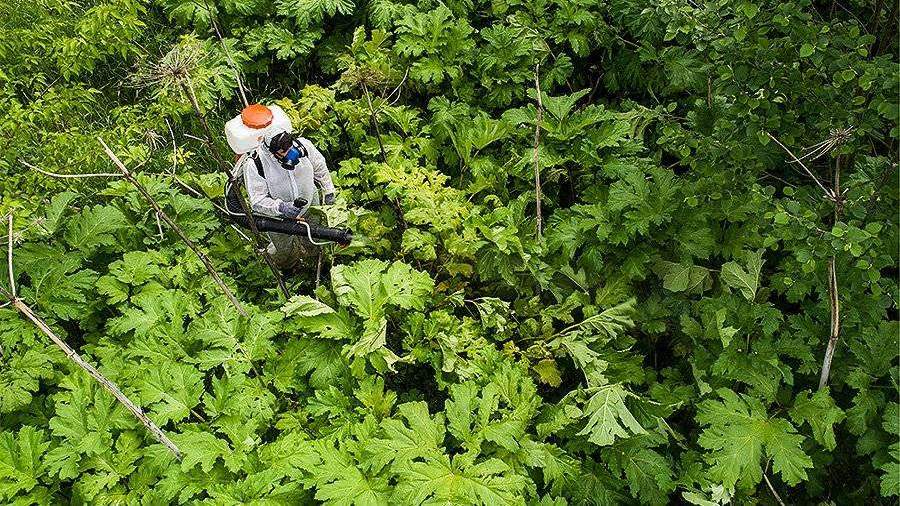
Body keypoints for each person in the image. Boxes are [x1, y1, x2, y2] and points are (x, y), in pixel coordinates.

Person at [242, 129, 336, 269]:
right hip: (278, 217)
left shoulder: (304, 146)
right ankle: (290, 268)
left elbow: (320, 167)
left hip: (310, 203)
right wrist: (281, 207)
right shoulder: (255, 164)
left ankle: (314, 264)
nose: (289, 152)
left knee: (314, 237)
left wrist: (328, 191)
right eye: (283, 151)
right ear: (273, 153)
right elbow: (257, 200)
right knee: (284, 248)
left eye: (290, 147)